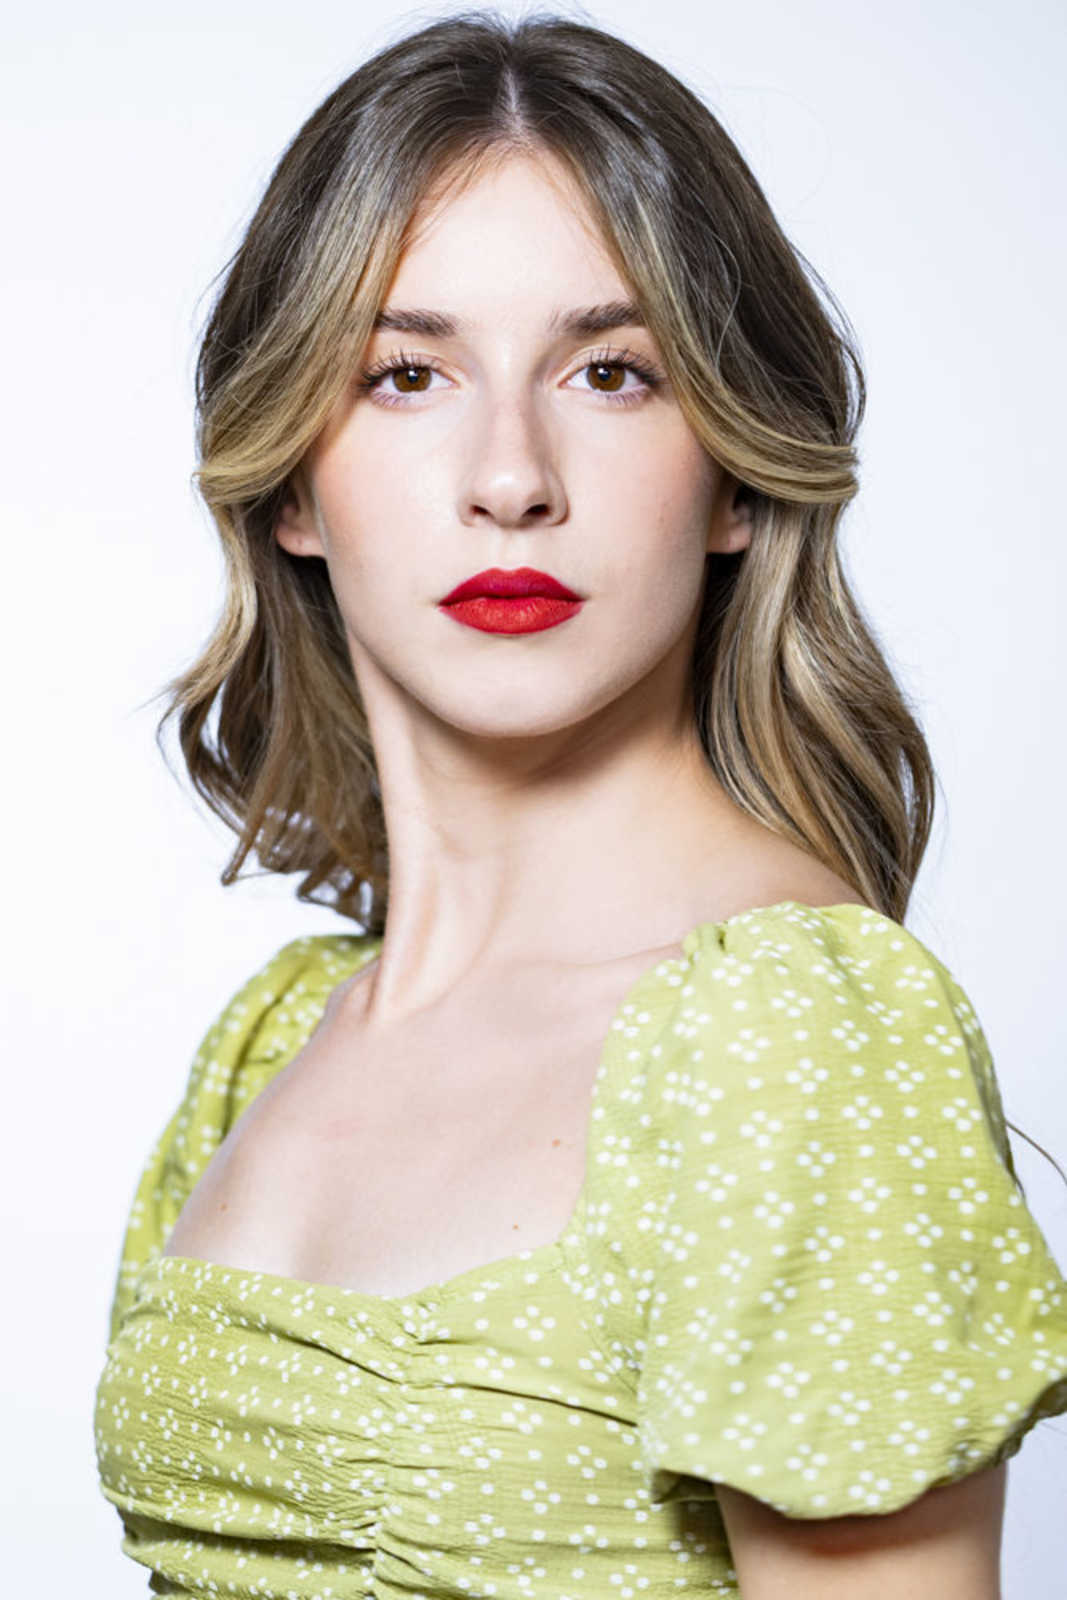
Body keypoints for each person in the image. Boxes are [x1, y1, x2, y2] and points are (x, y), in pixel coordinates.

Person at [93, 10, 1067, 1597]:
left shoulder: (799, 1033)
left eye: (612, 373)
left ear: (735, 470)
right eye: (406, 375)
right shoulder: (276, 1039)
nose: (511, 477)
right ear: (291, 483)